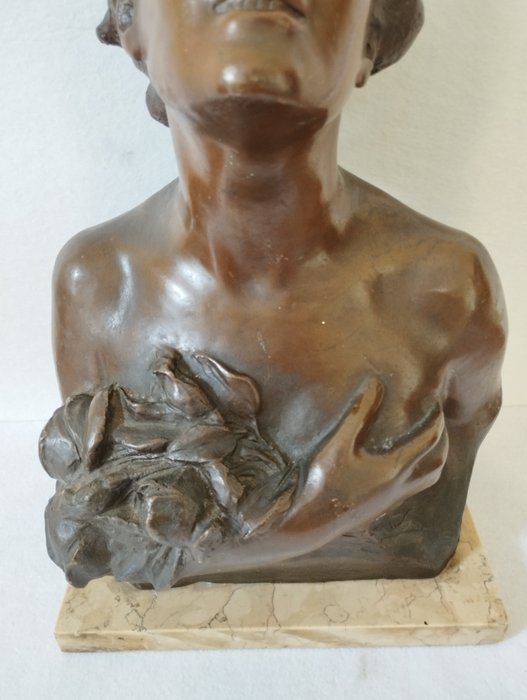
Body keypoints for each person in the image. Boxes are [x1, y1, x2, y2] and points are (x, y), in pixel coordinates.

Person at [45, 0, 506, 587]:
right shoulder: (97, 290)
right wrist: (305, 516)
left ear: (368, 38)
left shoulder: (449, 293)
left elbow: (440, 495)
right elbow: (92, 542)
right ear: (134, 27)